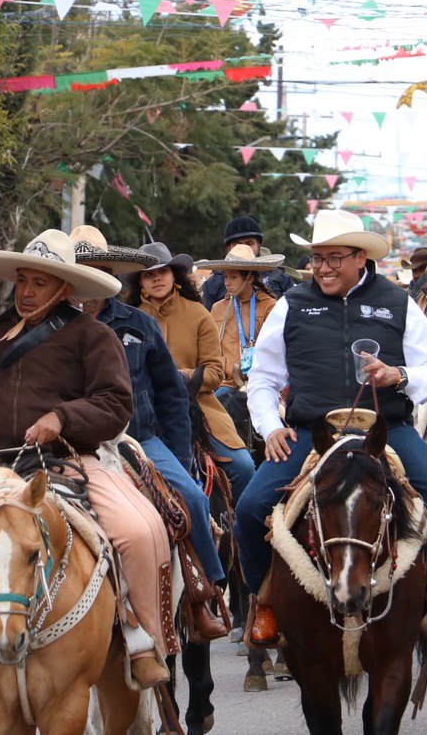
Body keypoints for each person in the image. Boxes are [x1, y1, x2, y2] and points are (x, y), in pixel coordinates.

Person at [0, 229, 176, 721]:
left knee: (142, 531)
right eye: (22, 280)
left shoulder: (95, 336)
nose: (26, 291)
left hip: (72, 463)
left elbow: (116, 404)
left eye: (40, 282)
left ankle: (142, 641)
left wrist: (62, 419)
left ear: (65, 288)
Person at [233, 209, 427, 647]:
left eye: (334, 258)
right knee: (249, 509)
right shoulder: (292, 304)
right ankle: (264, 597)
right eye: (317, 258)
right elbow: (263, 380)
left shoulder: (398, 301)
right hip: (312, 432)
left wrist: (398, 375)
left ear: (360, 257)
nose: (323, 267)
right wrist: (270, 428)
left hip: (386, 430)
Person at [69, 227, 227, 641]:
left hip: (137, 439)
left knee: (191, 496)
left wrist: (175, 455)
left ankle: (203, 592)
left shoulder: (138, 325)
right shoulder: (50, 329)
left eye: (97, 271)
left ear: (110, 274)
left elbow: (173, 396)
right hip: (68, 446)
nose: (90, 280)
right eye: (80, 271)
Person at [129, 243, 257, 505]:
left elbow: (214, 371)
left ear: (174, 274)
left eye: (162, 271)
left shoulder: (198, 313)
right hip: (143, 411)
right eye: (148, 274)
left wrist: (182, 376)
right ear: (140, 281)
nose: (156, 278)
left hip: (198, 407)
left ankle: (241, 538)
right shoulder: (130, 318)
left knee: (244, 467)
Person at [195, 244, 282, 405]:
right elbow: (210, 349)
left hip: (261, 384)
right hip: (224, 384)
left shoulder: (269, 306)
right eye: (225, 277)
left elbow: (276, 349)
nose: (227, 283)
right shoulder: (218, 308)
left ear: (249, 278)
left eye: (233, 277)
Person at [200, 216, 294, 308]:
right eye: (237, 244)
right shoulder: (213, 284)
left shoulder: (281, 279)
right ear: (228, 248)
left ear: (259, 246)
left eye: (249, 244)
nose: (244, 248)